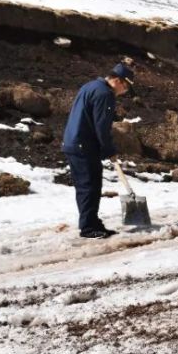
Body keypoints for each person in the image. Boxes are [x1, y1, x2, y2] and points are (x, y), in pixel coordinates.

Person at [61, 63, 134, 238]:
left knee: (86, 186)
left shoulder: (91, 86)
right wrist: (109, 149)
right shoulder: (105, 94)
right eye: (126, 87)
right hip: (83, 145)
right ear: (117, 81)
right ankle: (88, 227)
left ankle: (92, 222)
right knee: (90, 187)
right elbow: (102, 126)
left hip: (73, 142)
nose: (124, 92)